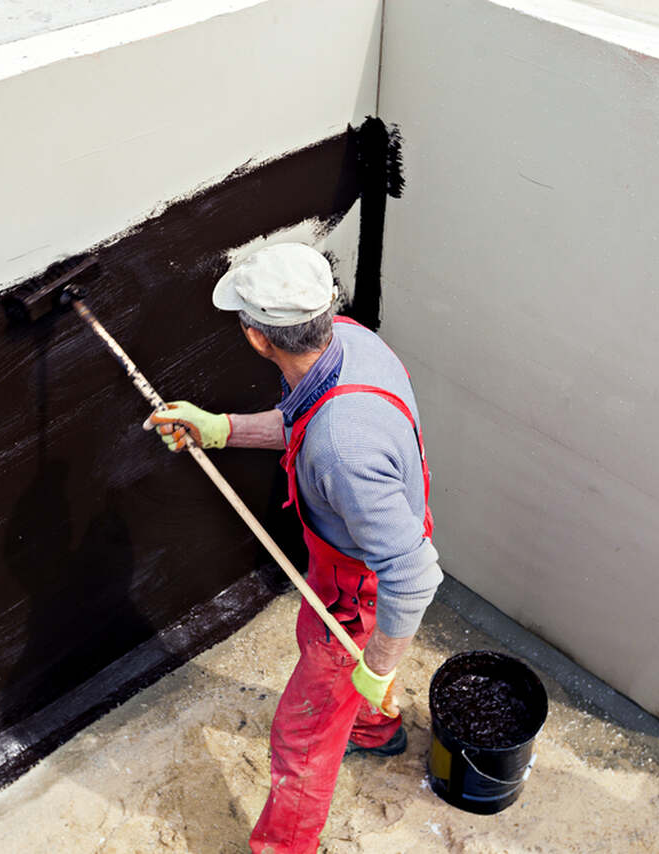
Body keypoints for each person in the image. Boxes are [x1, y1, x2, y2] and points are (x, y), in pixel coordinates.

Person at [142, 243, 442, 854]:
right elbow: (311, 420)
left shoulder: (343, 451)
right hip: (357, 560)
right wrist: (220, 428)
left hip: (357, 595)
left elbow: (414, 578)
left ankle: (284, 847)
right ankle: (374, 727)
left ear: (257, 338)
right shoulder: (353, 344)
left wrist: (378, 665)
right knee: (339, 677)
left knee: (300, 740)